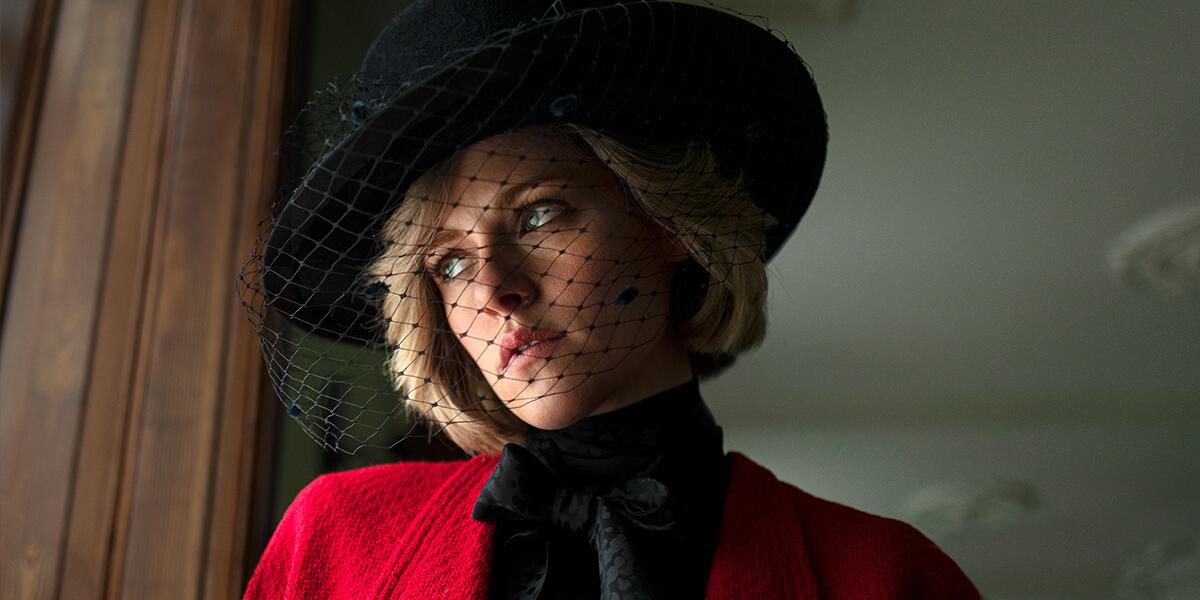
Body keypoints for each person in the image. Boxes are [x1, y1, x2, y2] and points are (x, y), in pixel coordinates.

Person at [239, 1, 982, 598]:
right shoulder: (335, 544)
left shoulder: (884, 575)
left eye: (539, 214)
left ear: (665, 221)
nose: (497, 288)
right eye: (450, 263)